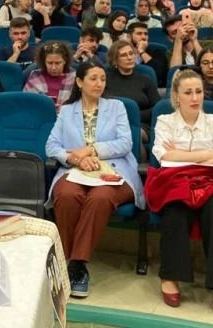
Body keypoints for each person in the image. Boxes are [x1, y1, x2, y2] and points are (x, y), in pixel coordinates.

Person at [144, 69, 213, 315]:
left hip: (211, 180)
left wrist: (182, 155)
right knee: (175, 208)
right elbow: (163, 157)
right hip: (174, 181)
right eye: (188, 92)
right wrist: (206, 154)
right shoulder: (165, 121)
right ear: (176, 96)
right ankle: (171, 276)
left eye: (199, 92)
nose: (194, 98)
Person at [45, 62, 145, 298]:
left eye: (102, 79)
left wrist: (90, 151)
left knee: (100, 197)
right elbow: (52, 146)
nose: (99, 83)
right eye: (93, 78)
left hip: (114, 169)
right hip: (77, 169)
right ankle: (70, 262)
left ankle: (76, 264)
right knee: (66, 194)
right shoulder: (67, 111)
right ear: (80, 82)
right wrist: (74, 159)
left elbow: (125, 143)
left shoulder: (117, 107)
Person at [104, 41, 160, 126]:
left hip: (140, 123)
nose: (129, 58)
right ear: (115, 60)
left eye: (131, 54)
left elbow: (158, 107)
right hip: (112, 123)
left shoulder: (145, 80)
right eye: (123, 55)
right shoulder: (106, 80)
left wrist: (133, 116)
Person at [23, 41, 76, 110]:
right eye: (50, 63)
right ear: (44, 61)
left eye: (57, 63)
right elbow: (26, 102)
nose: (53, 67)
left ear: (65, 61)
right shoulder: (35, 76)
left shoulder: (74, 77)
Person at [127, 22, 168, 87]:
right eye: (139, 33)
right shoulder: (123, 54)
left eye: (146, 34)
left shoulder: (157, 52)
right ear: (129, 37)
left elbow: (158, 74)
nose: (143, 37)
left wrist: (142, 52)